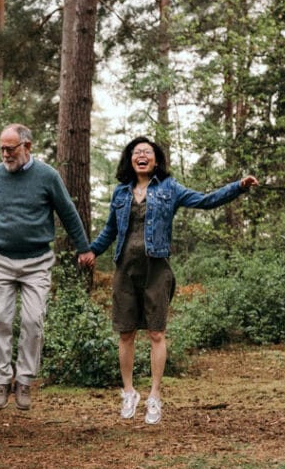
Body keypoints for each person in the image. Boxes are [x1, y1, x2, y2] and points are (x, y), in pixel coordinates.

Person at [86, 136, 259, 425]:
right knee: (126, 332)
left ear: (156, 160)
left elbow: (206, 201)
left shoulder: (170, 188)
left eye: (147, 152)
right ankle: (128, 391)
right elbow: (109, 231)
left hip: (157, 269)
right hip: (125, 269)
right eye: (136, 152)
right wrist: (91, 251)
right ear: (130, 159)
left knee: (156, 333)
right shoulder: (120, 193)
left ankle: (154, 395)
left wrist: (237, 188)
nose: (142, 155)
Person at [0, 124, 95, 411]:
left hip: (36, 261)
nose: (5, 154)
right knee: (1, 321)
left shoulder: (47, 176)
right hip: (0, 260)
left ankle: (23, 381)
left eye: (11, 148)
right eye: (2, 149)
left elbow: (68, 212)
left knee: (33, 321)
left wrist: (84, 248)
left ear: (27, 147)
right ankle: (0, 380)